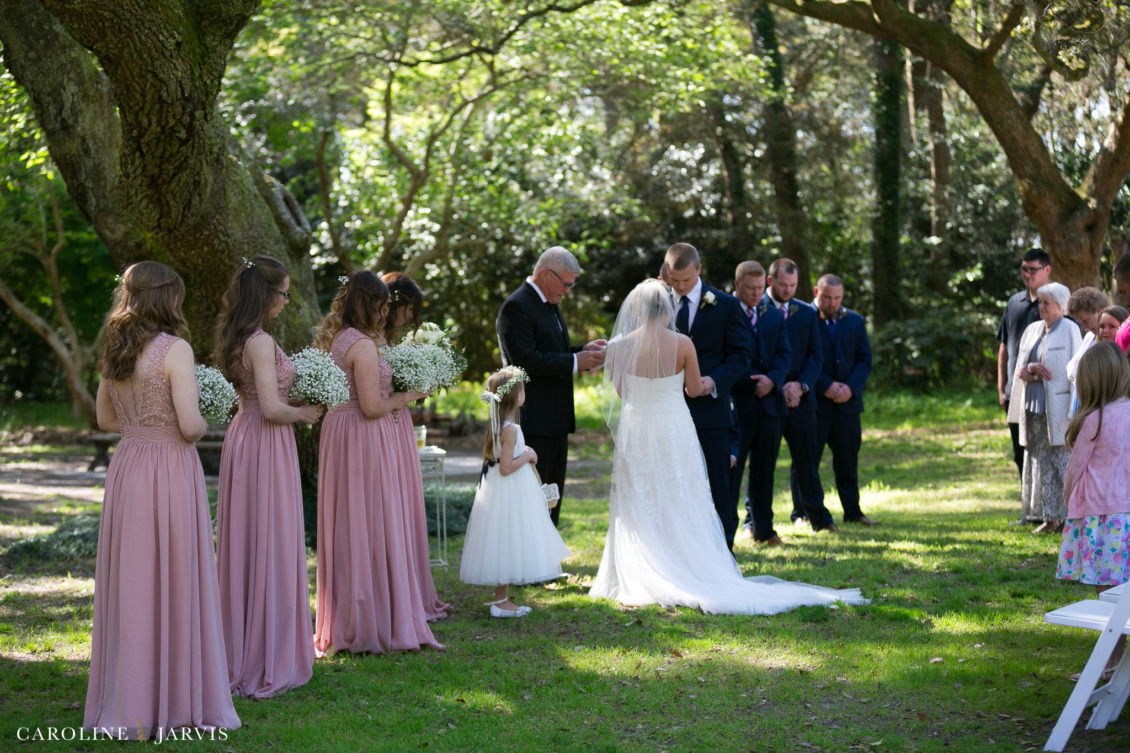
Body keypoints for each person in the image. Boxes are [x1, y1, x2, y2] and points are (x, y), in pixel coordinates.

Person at [589, 279, 867, 614]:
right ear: (666, 312)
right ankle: (684, 563)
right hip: (672, 427)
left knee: (640, 496)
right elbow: (693, 390)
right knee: (679, 494)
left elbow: (622, 393)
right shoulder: (682, 344)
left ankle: (639, 569)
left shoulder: (619, 347)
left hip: (636, 429)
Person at [84, 261, 240, 738]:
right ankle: (173, 698)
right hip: (170, 467)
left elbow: (104, 419)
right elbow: (192, 427)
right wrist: (209, 411)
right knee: (174, 574)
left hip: (129, 465)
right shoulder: (175, 350)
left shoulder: (115, 352)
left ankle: (128, 699)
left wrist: (141, 428)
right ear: (167, 298)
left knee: (132, 580)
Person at [313, 271, 444, 654]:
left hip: (341, 435)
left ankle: (357, 615)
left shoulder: (340, 339)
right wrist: (411, 395)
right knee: (375, 521)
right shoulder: (364, 346)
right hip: (363, 436)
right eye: (384, 305)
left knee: (353, 525)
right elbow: (371, 407)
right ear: (370, 303)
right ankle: (376, 621)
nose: (387, 312)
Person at [212, 255, 321, 698]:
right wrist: (306, 413)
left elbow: (264, 395)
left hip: (249, 437)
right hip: (264, 436)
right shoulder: (258, 342)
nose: (286, 301)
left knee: (253, 537)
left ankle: (250, 641)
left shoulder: (241, 337)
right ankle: (262, 654)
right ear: (265, 293)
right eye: (283, 293)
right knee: (268, 536)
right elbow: (273, 408)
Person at [495, 247, 606, 527]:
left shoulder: (549, 303)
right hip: (534, 418)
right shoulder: (516, 307)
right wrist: (574, 360)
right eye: (566, 284)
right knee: (533, 492)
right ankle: (530, 561)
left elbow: (552, 350)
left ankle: (547, 558)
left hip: (556, 418)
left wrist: (582, 352)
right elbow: (527, 361)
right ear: (546, 274)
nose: (568, 291)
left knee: (552, 494)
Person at [460, 367, 571, 617]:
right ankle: (501, 603)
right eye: (521, 388)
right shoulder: (510, 428)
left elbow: (503, 457)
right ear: (514, 395)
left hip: (504, 492)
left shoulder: (503, 425)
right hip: (509, 491)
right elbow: (507, 467)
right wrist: (528, 456)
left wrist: (522, 450)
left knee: (506, 542)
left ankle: (502, 600)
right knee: (509, 540)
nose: (524, 392)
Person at [665, 243, 754, 549]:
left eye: (685, 281)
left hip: (713, 412)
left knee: (719, 483)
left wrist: (713, 381)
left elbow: (742, 355)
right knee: (677, 483)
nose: (679, 287)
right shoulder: (658, 304)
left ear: (699, 270)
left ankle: (724, 548)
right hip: (670, 410)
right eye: (674, 280)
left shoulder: (727, 305)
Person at [380, 271, 452, 622]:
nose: (410, 317)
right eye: (408, 309)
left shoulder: (390, 341)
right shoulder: (372, 339)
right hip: (382, 424)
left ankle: (407, 588)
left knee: (404, 501)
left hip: (398, 422)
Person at [765, 258, 836, 532]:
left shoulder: (806, 313)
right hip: (768, 397)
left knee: (807, 461)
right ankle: (756, 521)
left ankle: (819, 518)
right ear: (771, 282)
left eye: (793, 285)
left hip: (802, 399)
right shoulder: (757, 309)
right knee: (764, 463)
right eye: (783, 285)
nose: (789, 291)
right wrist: (778, 384)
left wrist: (800, 385)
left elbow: (816, 356)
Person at [800, 274, 876, 525]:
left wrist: (850, 388)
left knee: (848, 460)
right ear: (816, 292)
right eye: (828, 298)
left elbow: (865, 358)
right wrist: (826, 386)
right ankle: (801, 512)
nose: (833, 303)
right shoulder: (802, 318)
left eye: (838, 298)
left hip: (847, 404)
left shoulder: (854, 320)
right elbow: (801, 360)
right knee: (807, 461)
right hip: (815, 404)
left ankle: (853, 512)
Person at [1057, 342, 1130, 599]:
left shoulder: (1094, 419)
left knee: (1108, 588)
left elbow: (1074, 470)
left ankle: (1115, 639)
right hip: (1126, 513)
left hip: (1100, 514)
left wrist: (1069, 502)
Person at [1008, 282, 1082, 533]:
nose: (1041, 307)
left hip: (1059, 407)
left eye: (1046, 303)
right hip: (1033, 406)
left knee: (1061, 460)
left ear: (1060, 306)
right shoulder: (1032, 330)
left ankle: (1069, 518)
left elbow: (1076, 370)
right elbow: (1021, 365)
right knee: (1038, 461)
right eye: (1039, 302)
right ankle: (1048, 517)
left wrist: (1076, 409)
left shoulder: (1070, 329)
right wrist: (1030, 370)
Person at [729, 261, 791, 546]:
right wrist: (748, 382)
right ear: (738, 285)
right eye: (750, 289)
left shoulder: (774, 315)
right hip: (739, 403)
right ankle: (726, 528)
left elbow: (784, 353)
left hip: (770, 405)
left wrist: (773, 380)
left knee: (765, 468)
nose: (756, 294)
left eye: (759, 288)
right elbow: (723, 355)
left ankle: (764, 529)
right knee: (733, 470)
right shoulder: (726, 313)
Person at [997, 249, 1052, 479]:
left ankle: (1048, 510)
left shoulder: (1055, 303)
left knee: (1044, 452)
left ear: (1047, 270)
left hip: (1044, 391)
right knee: (1019, 452)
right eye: (1024, 269)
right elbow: (1003, 346)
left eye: (1033, 269)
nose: (1027, 274)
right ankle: (1026, 509)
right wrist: (1002, 388)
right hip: (1015, 391)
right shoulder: (1014, 303)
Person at [1065, 287, 1110, 415]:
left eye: (1085, 321)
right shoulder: (1090, 337)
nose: (1084, 328)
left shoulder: (1109, 340)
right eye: (1081, 323)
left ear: (1098, 311)